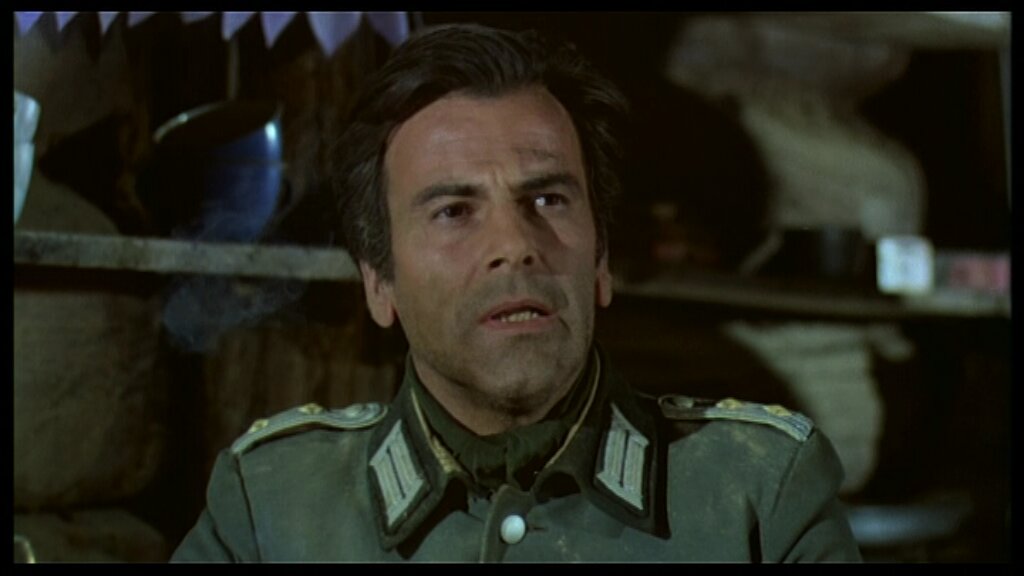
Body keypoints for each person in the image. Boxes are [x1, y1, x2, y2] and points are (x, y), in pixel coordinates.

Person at [171, 23, 862, 562]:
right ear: (379, 282)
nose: (515, 244)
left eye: (549, 199)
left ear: (601, 261)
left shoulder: (757, 493)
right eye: (454, 211)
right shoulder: (274, 505)